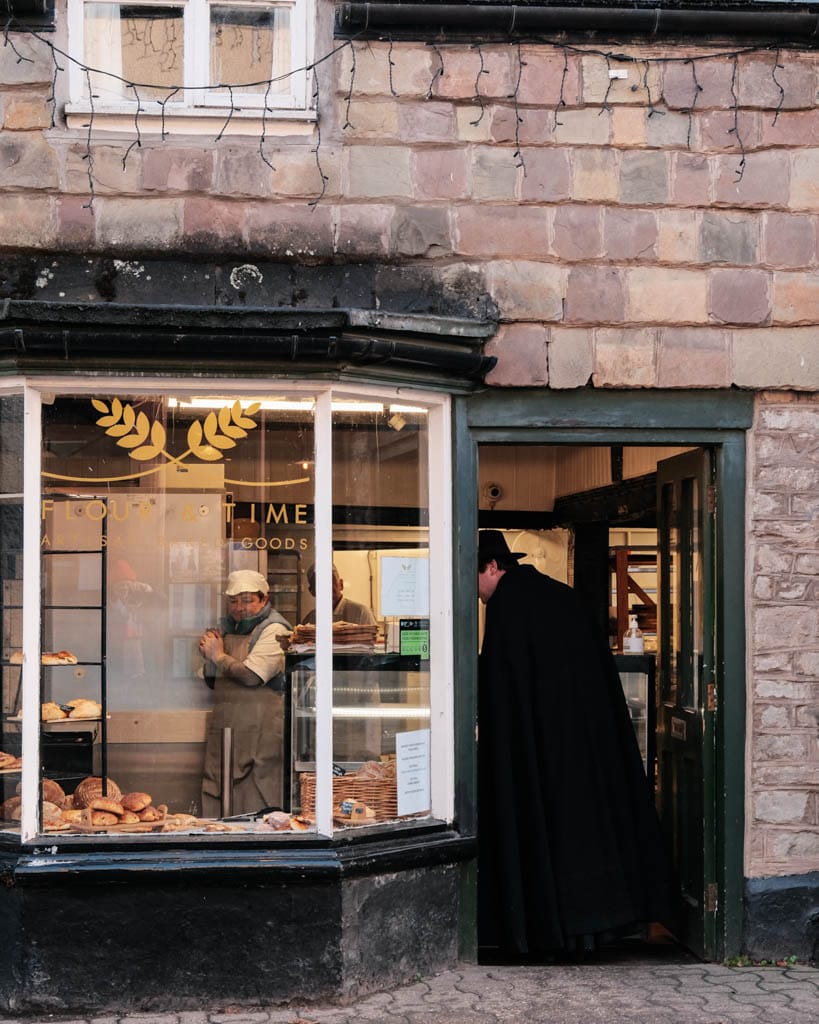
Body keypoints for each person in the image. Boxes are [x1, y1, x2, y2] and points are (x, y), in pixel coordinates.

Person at [477, 530, 676, 961]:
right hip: (588, 742)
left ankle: (559, 931)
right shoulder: (562, 596)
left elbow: (502, 688)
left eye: (475, 582)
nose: (477, 594)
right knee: (589, 830)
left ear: (492, 567)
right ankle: (599, 927)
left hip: (541, 748)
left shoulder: (507, 606)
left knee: (551, 833)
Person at [198, 569, 292, 817]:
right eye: (233, 601)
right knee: (219, 794)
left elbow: (252, 676)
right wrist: (208, 658)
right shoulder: (225, 628)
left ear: (264, 599)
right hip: (226, 733)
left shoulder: (275, 630)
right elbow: (211, 680)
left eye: (247, 600)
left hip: (260, 737)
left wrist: (217, 656)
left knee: (256, 804)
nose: (239, 608)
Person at [302, 563, 377, 625]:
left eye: (331, 579)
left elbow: (373, 638)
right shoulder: (310, 620)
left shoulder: (361, 613)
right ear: (312, 591)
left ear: (341, 584)